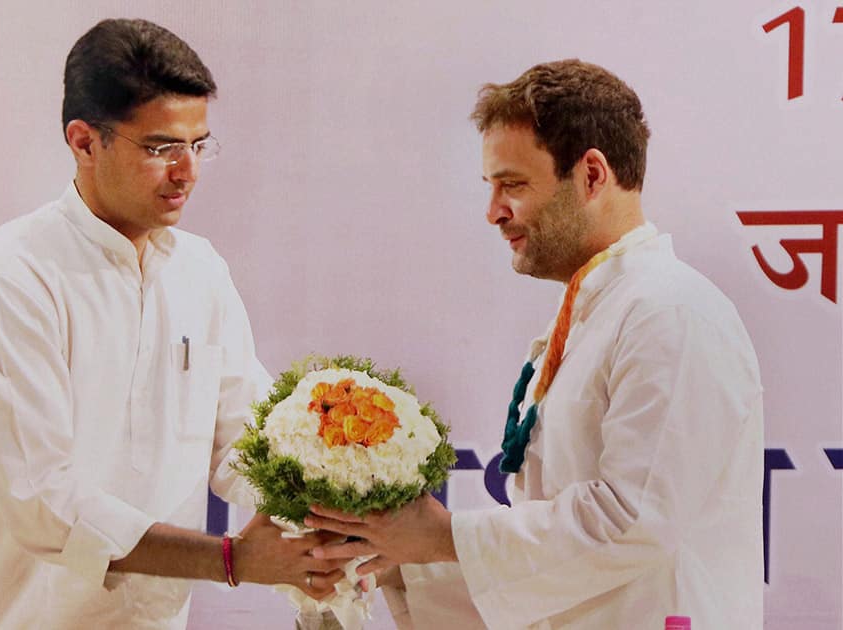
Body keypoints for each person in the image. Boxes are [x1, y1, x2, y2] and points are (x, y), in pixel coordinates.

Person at [0, 18, 346, 629]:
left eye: (199, 145)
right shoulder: (10, 279)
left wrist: (328, 513)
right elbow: (43, 504)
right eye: (162, 148)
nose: (187, 170)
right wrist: (232, 559)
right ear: (85, 142)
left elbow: (244, 437)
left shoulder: (201, 272)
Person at [306, 59, 764, 629]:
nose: (494, 211)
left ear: (592, 175)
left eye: (513, 185)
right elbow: (553, 570)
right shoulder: (594, 311)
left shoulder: (669, 312)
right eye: (491, 186)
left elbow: (633, 521)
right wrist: (398, 560)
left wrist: (443, 538)